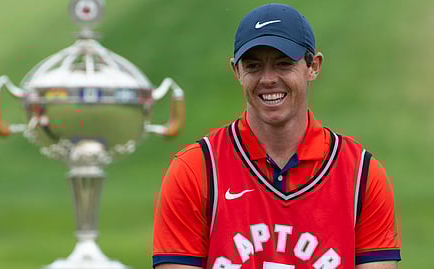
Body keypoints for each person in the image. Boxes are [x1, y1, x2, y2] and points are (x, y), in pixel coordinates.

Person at [153, 3, 401, 269]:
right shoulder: (195, 170)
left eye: (283, 64)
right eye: (253, 65)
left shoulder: (361, 175)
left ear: (313, 66)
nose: (268, 79)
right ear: (237, 70)